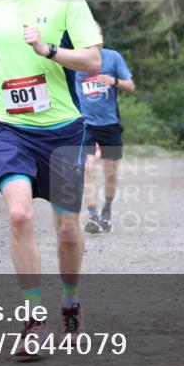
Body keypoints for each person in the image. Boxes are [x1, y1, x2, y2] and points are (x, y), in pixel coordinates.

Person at [0, 0, 102, 357]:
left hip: (64, 130)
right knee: (20, 216)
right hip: (9, 126)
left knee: (65, 226)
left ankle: (70, 302)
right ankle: (31, 318)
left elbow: (94, 61)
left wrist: (49, 50)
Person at [74, 30, 134, 234]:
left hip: (110, 124)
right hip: (85, 123)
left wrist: (114, 81)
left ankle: (106, 211)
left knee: (111, 173)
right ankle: (93, 216)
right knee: (88, 169)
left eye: (96, 35)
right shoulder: (75, 59)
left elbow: (131, 86)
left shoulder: (113, 57)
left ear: (101, 37)